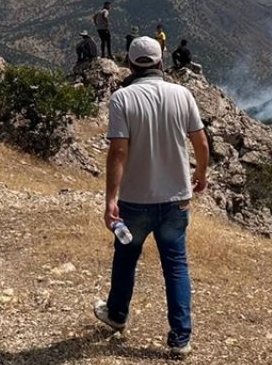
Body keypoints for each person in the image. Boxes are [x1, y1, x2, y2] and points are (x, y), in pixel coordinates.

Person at [95, 36, 209, 358]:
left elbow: (118, 151)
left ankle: (117, 315)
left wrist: (110, 199)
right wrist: (200, 175)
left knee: (126, 257)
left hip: (135, 199)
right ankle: (180, 338)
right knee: (176, 266)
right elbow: (201, 143)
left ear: (130, 65)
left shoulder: (122, 98)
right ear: (160, 62)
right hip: (176, 199)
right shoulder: (182, 94)